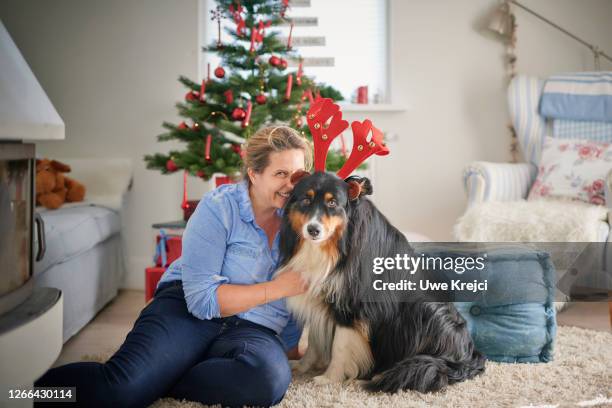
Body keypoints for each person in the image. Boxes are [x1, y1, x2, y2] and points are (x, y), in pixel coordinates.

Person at [35, 126, 312, 407]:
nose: (292, 185)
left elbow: (302, 290)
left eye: (298, 175)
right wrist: (276, 289)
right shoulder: (220, 207)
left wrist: (289, 344)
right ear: (254, 173)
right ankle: (22, 393)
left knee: (266, 380)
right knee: (120, 389)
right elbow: (201, 301)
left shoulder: (306, 220)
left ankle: (163, 376)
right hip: (188, 310)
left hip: (254, 329)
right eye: (280, 174)